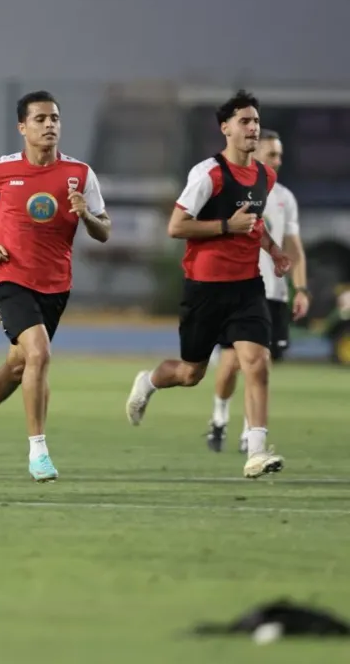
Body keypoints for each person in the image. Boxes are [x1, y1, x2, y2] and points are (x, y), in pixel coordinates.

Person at [125, 90, 290, 478]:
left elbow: (255, 223)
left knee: (257, 363)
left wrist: (274, 250)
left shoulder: (265, 175)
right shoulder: (208, 174)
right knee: (190, 374)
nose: (253, 128)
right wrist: (226, 226)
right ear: (226, 128)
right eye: (244, 121)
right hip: (205, 289)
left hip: (247, 287)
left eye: (256, 121)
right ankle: (147, 382)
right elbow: (176, 226)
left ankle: (256, 452)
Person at [0, 90, 110, 482]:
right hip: (8, 276)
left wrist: (86, 216)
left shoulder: (80, 174)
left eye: (54, 118)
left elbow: (104, 231)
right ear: (22, 128)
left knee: (19, 365)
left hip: (55, 284)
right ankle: (38, 453)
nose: (49, 125)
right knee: (39, 353)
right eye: (40, 119)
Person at [205, 129, 309, 453]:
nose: (277, 160)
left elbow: (294, 247)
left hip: (274, 293)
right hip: (240, 289)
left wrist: (301, 288)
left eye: (280, 155)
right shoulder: (233, 190)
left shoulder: (285, 197)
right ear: (255, 153)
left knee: (261, 366)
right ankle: (219, 417)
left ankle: (250, 433)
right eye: (271, 154)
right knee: (231, 363)